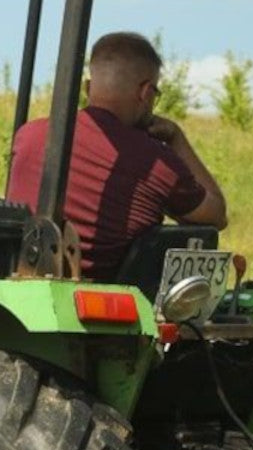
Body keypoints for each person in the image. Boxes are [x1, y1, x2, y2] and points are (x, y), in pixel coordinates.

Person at [7, 31, 227, 281]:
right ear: (145, 92)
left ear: (88, 88)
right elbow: (216, 215)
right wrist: (177, 137)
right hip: (101, 303)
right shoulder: (156, 162)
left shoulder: (28, 135)